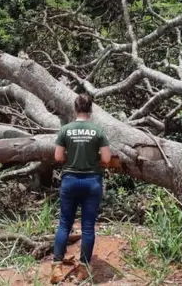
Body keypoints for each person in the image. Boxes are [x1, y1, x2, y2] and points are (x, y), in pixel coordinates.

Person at [49, 93, 111, 284]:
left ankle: (57, 268)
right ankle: (84, 269)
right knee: (87, 227)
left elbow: (58, 157)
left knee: (65, 224)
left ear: (75, 109)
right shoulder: (98, 131)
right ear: (90, 109)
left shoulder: (65, 130)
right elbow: (107, 160)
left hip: (70, 181)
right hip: (92, 182)